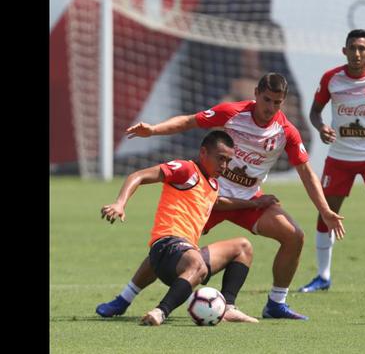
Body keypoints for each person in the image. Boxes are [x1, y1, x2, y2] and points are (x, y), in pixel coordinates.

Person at [97, 73, 345, 320]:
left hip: (249, 201)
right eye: (267, 100)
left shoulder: (286, 132)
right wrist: (153, 130)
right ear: (256, 94)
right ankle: (124, 299)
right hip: (209, 198)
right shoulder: (232, 112)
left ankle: (275, 304)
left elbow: (306, 172)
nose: (270, 108)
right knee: (171, 246)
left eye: (277, 103)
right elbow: (189, 121)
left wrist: (324, 210)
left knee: (294, 236)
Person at [100, 130, 265, 325]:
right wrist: (120, 203)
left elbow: (217, 203)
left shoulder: (212, 184)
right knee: (196, 264)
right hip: (168, 245)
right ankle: (160, 311)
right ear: (203, 152)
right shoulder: (186, 169)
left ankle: (228, 307)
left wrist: (254, 203)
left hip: (182, 254)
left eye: (228, 161)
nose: (224, 165)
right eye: (220, 158)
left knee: (243, 247)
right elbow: (139, 175)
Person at [298, 29, 365, 295]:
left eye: (362, 49)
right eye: (352, 48)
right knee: (327, 212)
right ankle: (323, 276)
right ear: (344, 51)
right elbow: (314, 111)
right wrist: (321, 126)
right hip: (339, 157)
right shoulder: (331, 79)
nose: (357, 53)